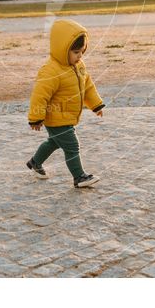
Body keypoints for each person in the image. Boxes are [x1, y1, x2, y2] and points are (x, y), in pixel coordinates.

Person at [26, 19, 105, 188]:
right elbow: (40, 95)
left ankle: (35, 162)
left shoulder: (79, 66)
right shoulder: (51, 71)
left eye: (82, 52)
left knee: (54, 142)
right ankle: (79, 177)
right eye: (76, 52)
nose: (80, 56)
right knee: (72, 146)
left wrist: (96, 105)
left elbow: (88, 86)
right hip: (55, 118)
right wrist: (36, 117)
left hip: (67, 117)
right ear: (62, 49)